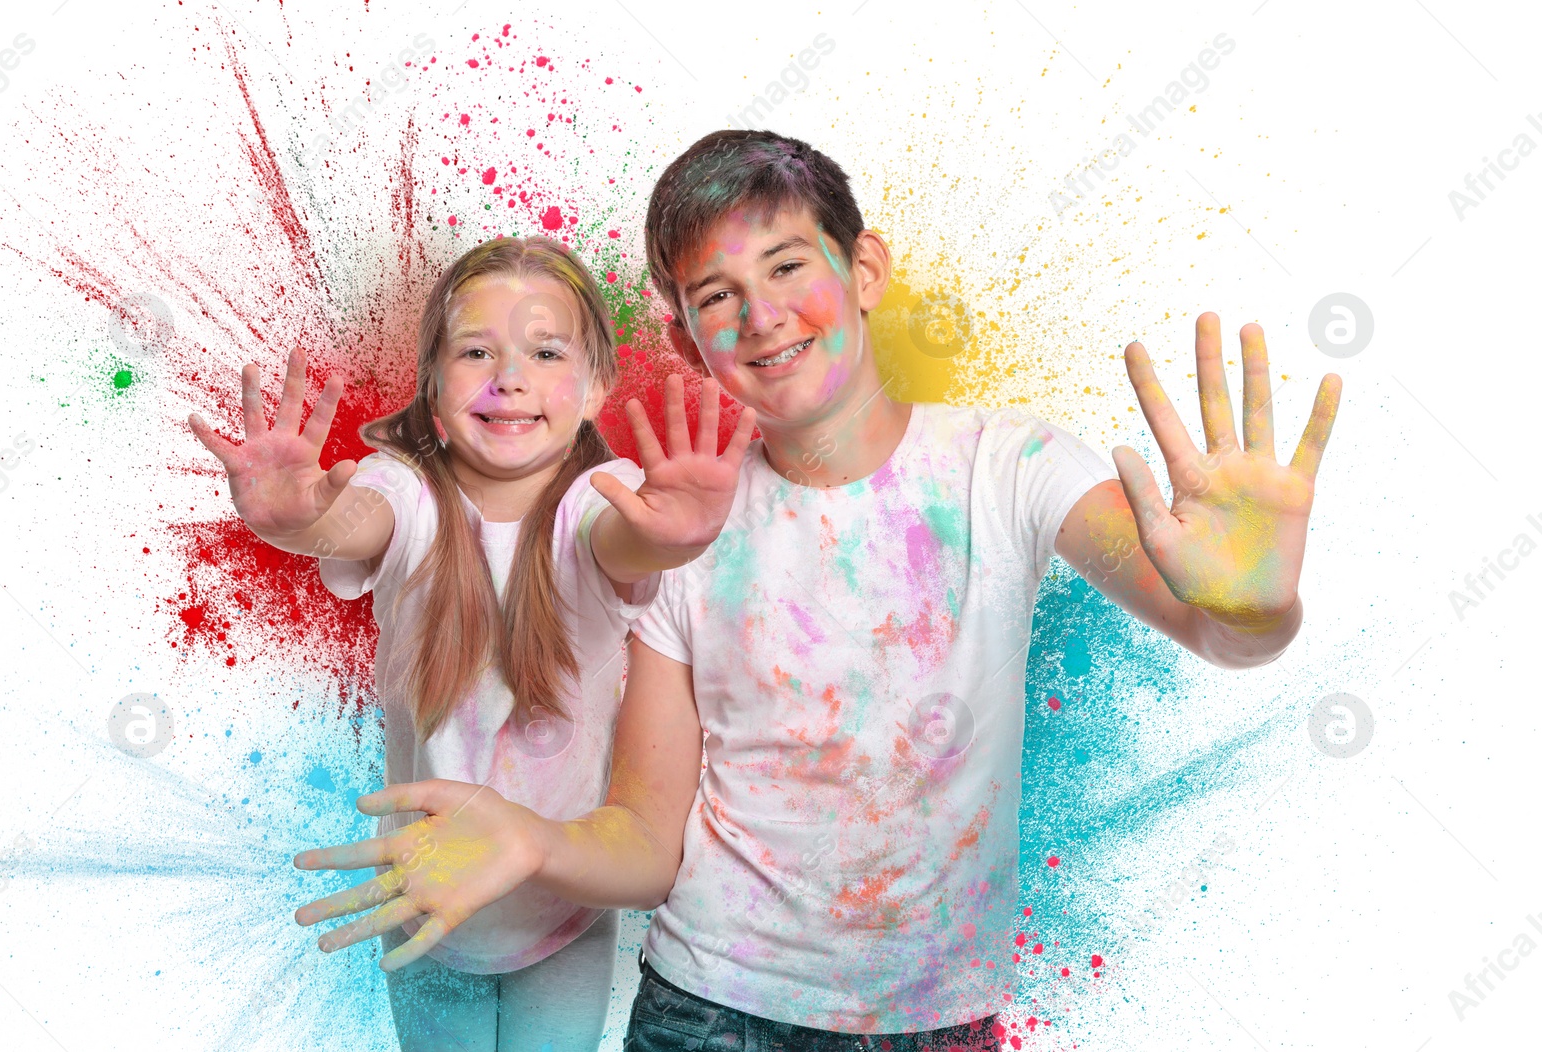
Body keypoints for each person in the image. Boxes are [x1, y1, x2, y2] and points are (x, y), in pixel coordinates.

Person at [291, 132, 1342, 1049]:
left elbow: (1222, 631)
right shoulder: (674, 527)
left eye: (789, 265)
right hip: (704, 1009)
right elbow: (647, 842)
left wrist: (1256, 607)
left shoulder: (1010, 463)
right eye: (716, 297)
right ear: (684, 338)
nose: (760, 317)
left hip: (940, 1016)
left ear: (864, 266)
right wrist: (533, 840)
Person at [188, 235, 754, 1052]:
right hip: (422, 903)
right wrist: (295, 521)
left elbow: (627, 545)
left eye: (545, 351)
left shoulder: (604, 499)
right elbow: (352, 519)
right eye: (476, 351)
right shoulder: (403, 490)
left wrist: (678, 539)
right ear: (434, 385)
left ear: (596, 386)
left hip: (562, 907)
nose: (508, 376)